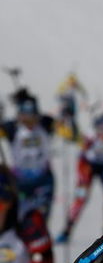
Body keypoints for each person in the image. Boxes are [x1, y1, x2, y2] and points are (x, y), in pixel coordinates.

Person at [58, 113, 103, 244]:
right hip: (88, 165)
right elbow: (80, 149)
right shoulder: (90, 135)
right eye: (101, 130)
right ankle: (67, 229)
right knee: (81, 197)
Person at [3, 99, 58, 231]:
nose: (29, 121)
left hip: (42, 178)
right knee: (20, 219)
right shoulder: (13, 128)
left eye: (32, 116)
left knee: (41, 218)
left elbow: (56, 122)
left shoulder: (44, 125)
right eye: (25, 116)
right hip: (20, 180)